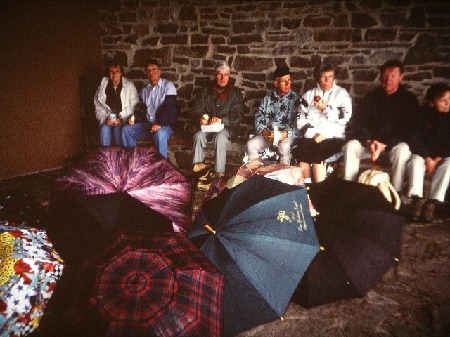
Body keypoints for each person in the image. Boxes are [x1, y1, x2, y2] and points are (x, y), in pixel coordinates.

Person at [342, 59, 419, 192]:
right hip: (369, 146)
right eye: (385, 75)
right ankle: (349, 189)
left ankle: (396, 192)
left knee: (403, 150)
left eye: (393, 76)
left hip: (392, 147)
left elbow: (410, 130)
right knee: (351, 146)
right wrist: (368, 142)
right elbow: (360, 123)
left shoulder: (409, 100)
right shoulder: (370, 98)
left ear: (401, 77)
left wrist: (385, 144)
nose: (388, 79)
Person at [293, 64, 352, 182]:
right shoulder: (309, 95)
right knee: (302, 155)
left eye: (330, 77)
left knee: (318, 158)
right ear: (317, 78)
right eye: (323, 77)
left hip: (333, 137)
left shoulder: (342, 94)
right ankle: (307, 189)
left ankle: (319, 191)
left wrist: (326, 108)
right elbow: (300, 117)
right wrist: (312, 133)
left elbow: (345, 116)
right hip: (312, 136)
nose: (327, 80)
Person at [191, 61, 245, 177]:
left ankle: (218, 172)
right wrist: (200, 118)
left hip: (228, 129)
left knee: (220, 137)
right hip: (208, 129)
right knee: (198, 136)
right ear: (215, 75)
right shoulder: (206, 91)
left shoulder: (235, 93)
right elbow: (196, 110)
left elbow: (238, 115)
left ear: (229, 76)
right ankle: (199, 170)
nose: (222, 78)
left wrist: (221, 120)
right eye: (220, 74)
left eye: (226, 75)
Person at [407, 83, 450, 222]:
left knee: (449, 164)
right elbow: (414, 137)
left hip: (442, 155)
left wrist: (438, 158)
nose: (447, 103)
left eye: (449, 99)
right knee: (414, 162)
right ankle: (417, 200)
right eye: (443, 100)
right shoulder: (421, 114)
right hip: (422, 153)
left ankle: (432, 202)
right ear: (432, 101)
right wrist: (426, 157)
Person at [122, 59, 177, 159]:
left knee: (160, 134)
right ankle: (131, 162)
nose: (151, 72)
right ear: (146, 73)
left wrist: (160, 124)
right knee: (127, 130)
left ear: (160, 71)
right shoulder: (144, 90)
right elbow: (141, 111)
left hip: (165, 125)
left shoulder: (168, 86)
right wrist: (134, 119)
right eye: (148, 70)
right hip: (148, 125)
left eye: (154, 69)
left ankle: (161, 168)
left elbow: (171, 109)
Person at [246, 66, 300, 166]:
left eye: (289, 80)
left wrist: (284, 134)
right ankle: (255, 175)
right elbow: (258, 119)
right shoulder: (267, 99)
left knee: (283, 147)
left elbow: (300, 125)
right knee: (251, 145)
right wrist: (265, 132)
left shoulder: (297, 100)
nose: (288, 84)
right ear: (276, 83)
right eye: (284, 81)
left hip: (287, 136)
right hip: (269, 136)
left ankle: (284, 178)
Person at [94, 60, 139, 146]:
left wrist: (122, 120)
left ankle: (119, 157)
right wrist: (104, 119)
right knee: (104, 129)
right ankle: (106, 157)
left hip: (123, 119)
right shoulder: (102, 87)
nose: (114, 74)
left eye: (117, 71)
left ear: (121, 73)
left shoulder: (129, 86)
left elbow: (134, 106)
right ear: (108, 74)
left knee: (118, 130)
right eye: (111, 72)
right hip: (108, 119)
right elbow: (98, 108)